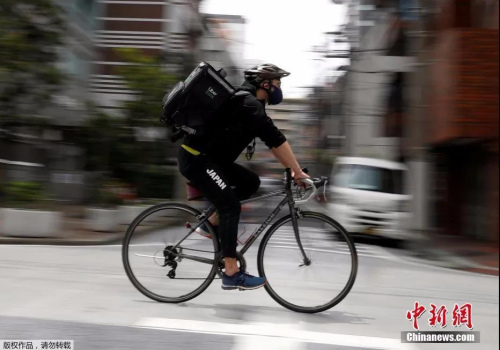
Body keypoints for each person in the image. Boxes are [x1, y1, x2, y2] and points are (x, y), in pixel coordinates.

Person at [177, 63, 310, 291]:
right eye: (278, 83)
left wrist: (294, 169)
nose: (280, 88)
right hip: (197, 159)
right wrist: (296, 171)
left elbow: (273, 142)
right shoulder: (247, 103)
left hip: (211, 161)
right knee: (230, 206)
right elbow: (275, 138)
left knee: (251, 182)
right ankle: (231, 272)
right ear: (265, 84)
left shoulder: (251, 105)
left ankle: (210, 223)